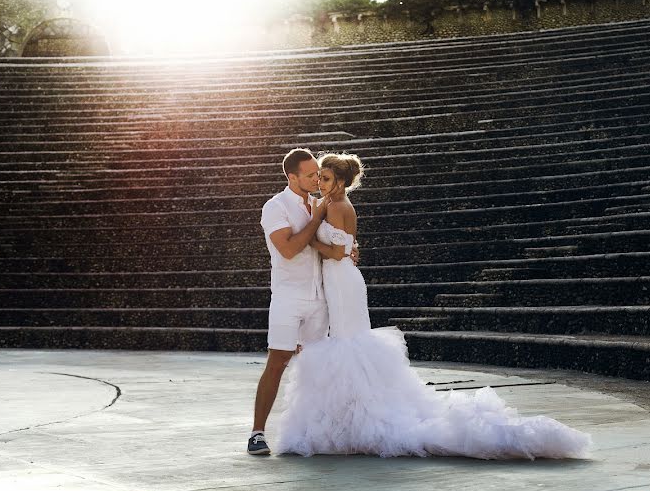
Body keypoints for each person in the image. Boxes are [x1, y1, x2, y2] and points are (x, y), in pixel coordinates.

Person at [274, 152, 592, 459]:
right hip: (339, 278)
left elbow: (340, 252)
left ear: (341, 182)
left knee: (349, 342)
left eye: (326, 178)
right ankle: (350, 415)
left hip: (342, 279)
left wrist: (313, 237)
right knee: (346, 341)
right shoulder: (330, 203)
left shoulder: (337, 206)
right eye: (319, 177)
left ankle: (361, 417)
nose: (320, 183)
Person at [248, 148, 334, 455]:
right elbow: (288, 249)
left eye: (317, 173)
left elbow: (326, 245)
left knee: (315, 367)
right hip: (288, 296)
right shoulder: (275, 206)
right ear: (292, 176)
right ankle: (257, 433)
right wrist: (317, 218)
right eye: (310, 175)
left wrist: (346, 250)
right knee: (278, 361)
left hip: (319, 296)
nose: (316, 179)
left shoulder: (321, 203)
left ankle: (313, 431)